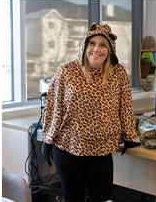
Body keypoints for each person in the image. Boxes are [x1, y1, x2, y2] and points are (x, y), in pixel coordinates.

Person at [41, 23, 139, 202]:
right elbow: (54, 107)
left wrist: (129, 135)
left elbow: (125, 106)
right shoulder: (67, 71)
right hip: (68, 147)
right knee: (73, 198)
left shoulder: (118, 73)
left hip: (102, 149)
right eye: (92, 43)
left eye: (103, 45)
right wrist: (48, 139)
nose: (96, 49)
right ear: (84, 46)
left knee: (101, 198)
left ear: (110, 49)